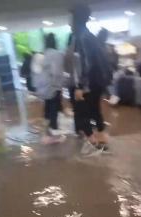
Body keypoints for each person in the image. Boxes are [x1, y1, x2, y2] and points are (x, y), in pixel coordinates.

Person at [70, 3, 110, 154]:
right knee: (94, 111)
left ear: (76, 18)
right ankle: (102, 141)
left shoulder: (81, 36)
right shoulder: (89, 35)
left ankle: (94, 144)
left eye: (71, 17)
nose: (69, 21)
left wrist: (80, 86)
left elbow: (86, 63)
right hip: (96, 83)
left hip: (88, 84)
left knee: (81, 113)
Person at [43, 33, 64, 142]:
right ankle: (54, 130)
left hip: (45, 85)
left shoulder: (45, 54)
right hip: (54, 85)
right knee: (54, 107)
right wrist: (58, 85)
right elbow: (56, 71)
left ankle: (48, 126)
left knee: (48, 104)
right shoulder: (57, 54)